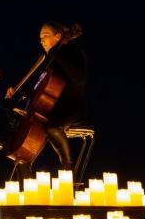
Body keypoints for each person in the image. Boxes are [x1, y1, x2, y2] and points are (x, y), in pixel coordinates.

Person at [5, 21, 89, 177]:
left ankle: (67, 167)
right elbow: (40, 90)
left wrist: (55, 53)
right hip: (51, 106)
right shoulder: (49, 60)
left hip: (72, 105)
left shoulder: (73, 52)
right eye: (40, 38)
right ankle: (26, 176)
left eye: (45, 35)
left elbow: (79, 79)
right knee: (24, 140)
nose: (41, 40)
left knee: (52, 127)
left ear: (58, 36)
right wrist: (19, 91)